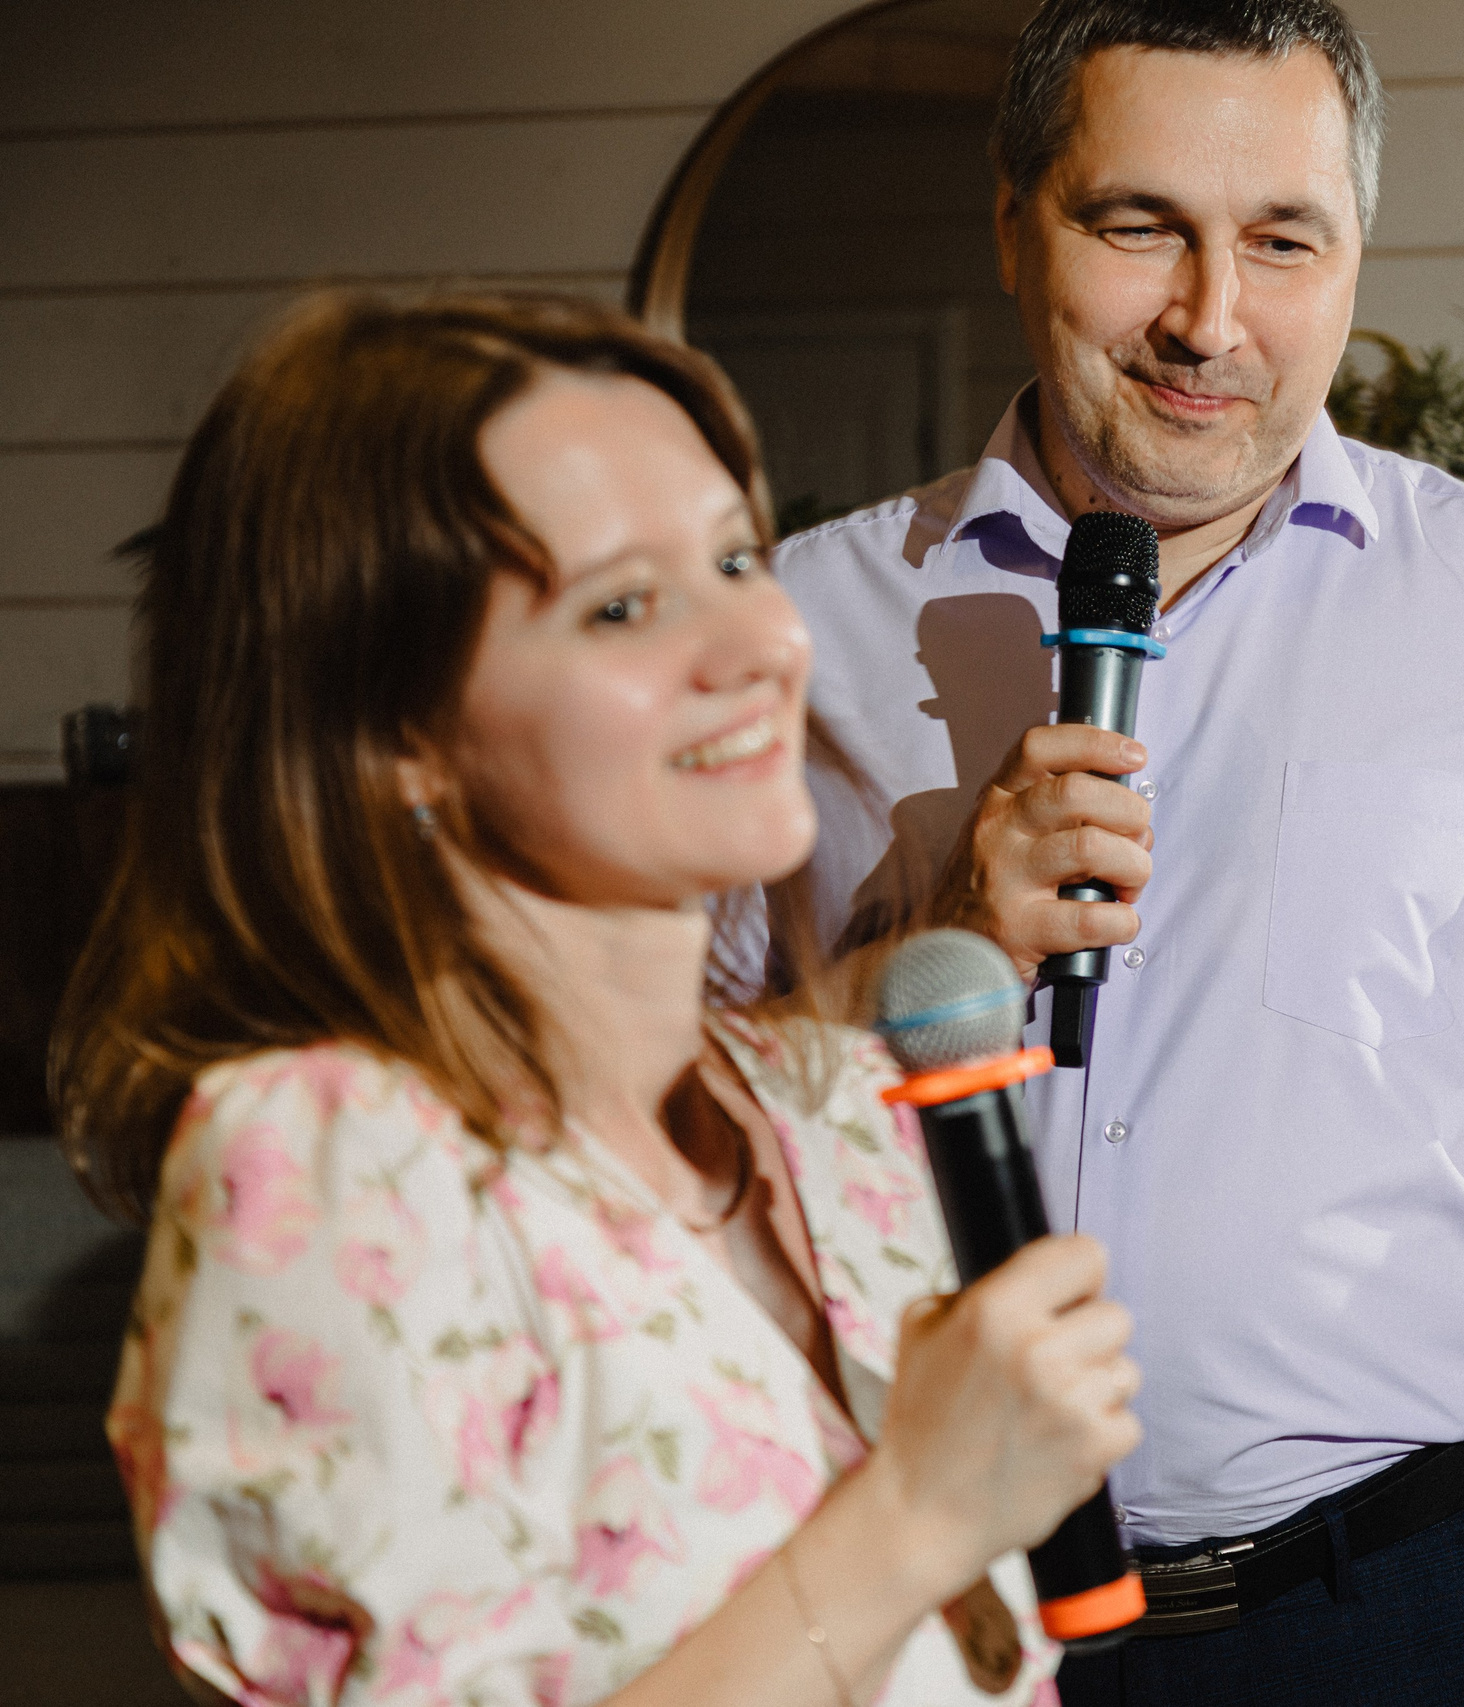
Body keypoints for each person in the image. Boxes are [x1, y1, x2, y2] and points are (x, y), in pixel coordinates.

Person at [773, 2, 1464, 1701]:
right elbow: (647, 1149)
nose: (1209, 319)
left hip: (1389, 1622)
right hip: (903, 1612)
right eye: (1138, 225)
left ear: (1355, 253)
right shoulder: (785, 634)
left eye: (1282, 240)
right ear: (1016, 220)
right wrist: (929, 949)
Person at [50, 291, 1143, 1707]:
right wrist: (922, 1515)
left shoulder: (820, 1112)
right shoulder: (329, 1164)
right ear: (393, 735)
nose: (760, 644)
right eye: (623, 604)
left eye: (737, 558)